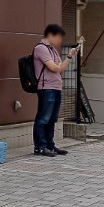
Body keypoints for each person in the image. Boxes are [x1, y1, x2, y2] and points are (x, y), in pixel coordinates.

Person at [32, 24, 78, 157]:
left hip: (56, 87)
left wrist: (69, 56)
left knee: (52, 118)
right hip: (46, 88)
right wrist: (60, 64)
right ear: (51, 35)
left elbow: (60, 68)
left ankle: (50, 145)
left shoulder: (52, 50)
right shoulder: (41, 48)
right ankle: (40, 147)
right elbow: (54, 67)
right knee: (43, 118)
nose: (60, 40)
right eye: (58, 37)